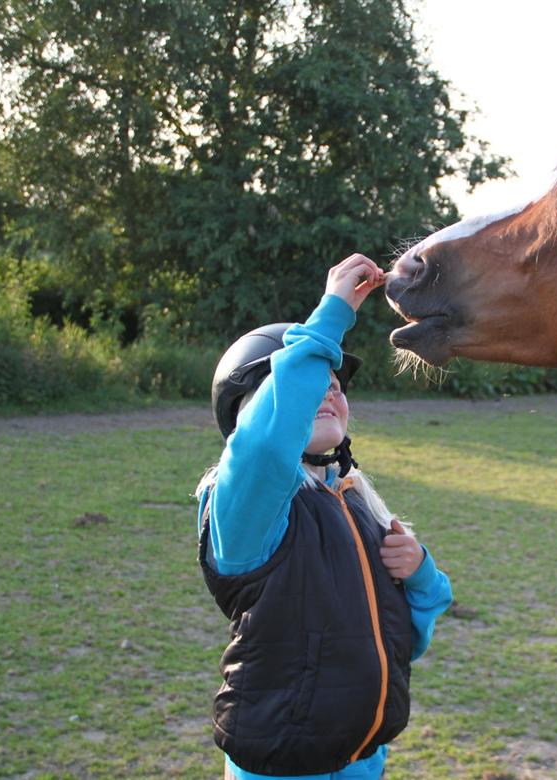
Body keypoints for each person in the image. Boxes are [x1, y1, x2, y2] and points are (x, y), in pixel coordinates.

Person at [194, 254, 453, 780]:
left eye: (336, 384)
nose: (330, 388)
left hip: (363, 758)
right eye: (315, 382)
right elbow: (266, 448)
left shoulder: (353, 502)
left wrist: (423, 576)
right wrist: (333, 312)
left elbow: (398, 643)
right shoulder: (243, 506)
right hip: (281, 768)